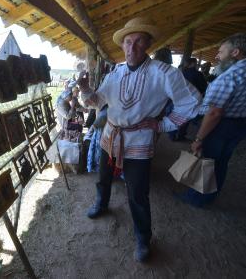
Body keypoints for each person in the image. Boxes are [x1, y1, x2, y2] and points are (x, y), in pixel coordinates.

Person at [77, 17, 201, 262]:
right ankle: (102, 204)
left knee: (137, 191)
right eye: (128, 42)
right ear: (122, 46)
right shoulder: (116, 72)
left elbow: (193, 101)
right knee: (103, 176)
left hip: (139, 140)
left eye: (138, 42)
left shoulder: (164, 73)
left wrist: (162, 123)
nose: (131, 48)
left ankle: (143, 238)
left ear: (148, 45)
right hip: (110, 134)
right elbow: (98, 101)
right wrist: (84, 90)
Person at [177, 33, 246, 207]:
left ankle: (197, 198)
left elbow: (215, 113)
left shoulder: (231, 76)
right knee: (221, 161)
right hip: (239, 124)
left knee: (207, 160)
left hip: (221, 124)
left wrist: (199, 138)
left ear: (235, 52)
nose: (217, 56)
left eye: (221, 52)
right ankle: (210, 194)